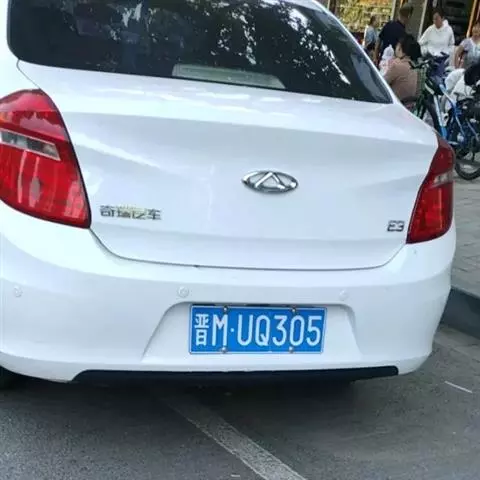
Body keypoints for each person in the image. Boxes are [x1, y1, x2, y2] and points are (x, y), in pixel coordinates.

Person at [383, 34, 421, 102]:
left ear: (400, 48)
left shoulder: (397, 65)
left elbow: (382, 83)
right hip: (410, 105)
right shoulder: (414, 66)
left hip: (395, 103)